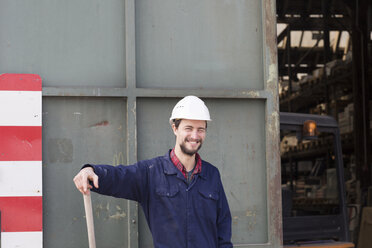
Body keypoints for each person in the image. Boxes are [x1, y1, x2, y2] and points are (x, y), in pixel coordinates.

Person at [73, 95, 233, 248]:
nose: (194, 135)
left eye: (200, 130)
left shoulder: (212, 175)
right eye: (188, 128)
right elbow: (120, 177)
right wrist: (91, 170)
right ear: (175, 128)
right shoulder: (151, 173)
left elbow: (223, 231)